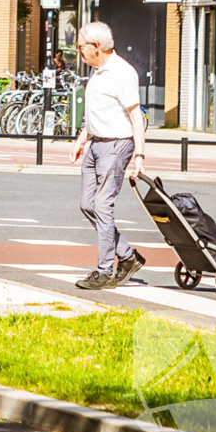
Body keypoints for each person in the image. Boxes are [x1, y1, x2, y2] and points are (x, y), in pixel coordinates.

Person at [68, 22, 147, 290]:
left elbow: (137, 118)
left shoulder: (122, 73)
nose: (78, 51)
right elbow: (96, 112)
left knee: (102, 206)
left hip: (116, 145)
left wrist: (139, 156)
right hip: (95, 144)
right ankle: (127, 256)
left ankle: (105, 271)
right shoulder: (97, 71)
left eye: (80, 46)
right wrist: (82, 139)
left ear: (96, 47)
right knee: (87, 204)